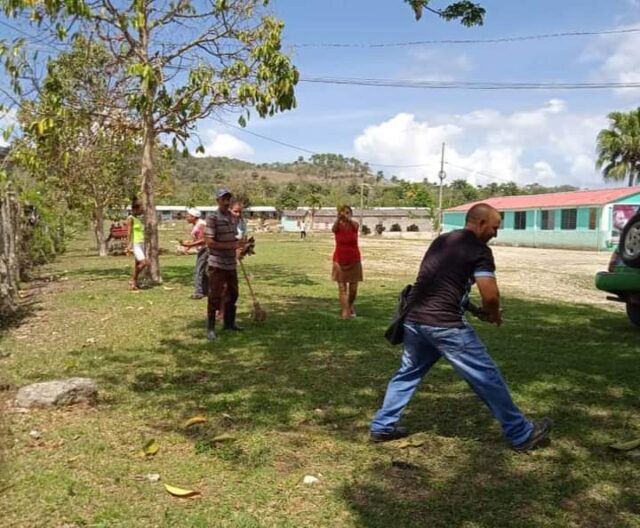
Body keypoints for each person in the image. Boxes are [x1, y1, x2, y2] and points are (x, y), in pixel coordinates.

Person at [370, 203, 552, 452]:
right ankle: (522, 433)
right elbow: (491, 294)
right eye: (494, 228)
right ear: (480, 223)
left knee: (407, 374)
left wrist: (477, 312)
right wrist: (493, 313)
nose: (495, 234)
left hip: (414, 319)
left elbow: (442, 285)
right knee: (486, 376)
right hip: (444, 326)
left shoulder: (442, 241)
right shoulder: (479, 250)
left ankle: (382, 426)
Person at [205, 189, 244, 341]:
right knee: (215, 296)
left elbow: (235, 238)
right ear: (217, 200)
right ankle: (211, 328)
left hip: (231, 263)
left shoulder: (234, 218)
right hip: (217, 263)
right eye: (223, 199)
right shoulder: (212, 217)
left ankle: (229, 323)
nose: (226, 201)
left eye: (228, 198)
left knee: (233, 294)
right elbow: (210, 242)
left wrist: (241, 247)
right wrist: (232, 245)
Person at [217, 199, 249, 321]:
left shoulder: (242, 224)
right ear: (229, 210)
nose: (238, 214)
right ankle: (220, 311)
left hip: (233, 260)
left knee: (233, 290)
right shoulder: (222, 223)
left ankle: (229, 317)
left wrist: (242, 250)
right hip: (220, 259)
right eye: (235, 211)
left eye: (240, 212)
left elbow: (243, 240)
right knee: (223, 287)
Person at [332, 205, 363, 319]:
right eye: (342, 212)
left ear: (351, 214)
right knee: (342, 287)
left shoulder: (354, 225)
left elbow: (355, 226)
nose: (345, 214)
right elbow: (333, 229)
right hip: (339, 260)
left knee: (353, 288)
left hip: (354, 259)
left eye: (347, 212)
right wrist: (338, 219)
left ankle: (350, 306)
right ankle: (345, 311)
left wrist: (348, 219)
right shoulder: (337, 226)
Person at [178, 208, 208, 299]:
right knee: (204, 271)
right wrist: (188, 247)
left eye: (188, 216)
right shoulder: (197, 224)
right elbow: (197, 239)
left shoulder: (201, 225)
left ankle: (199, 292)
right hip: (203, 249)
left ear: (194, 217)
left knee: (198, 270)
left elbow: (204, 240)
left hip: (205, 249)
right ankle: (206, 290)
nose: (186, 217)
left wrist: (189, 244)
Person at [126, 197, 148, 290]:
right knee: (144, 263)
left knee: (137, 264)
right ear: (135, 209)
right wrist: (128, 246)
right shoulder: (130, 218)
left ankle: (135, 283)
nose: (142, 211)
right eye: (141, 209)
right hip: (136, 244)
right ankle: (133, 279)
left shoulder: (138, 219)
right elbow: (129, 232)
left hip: (141, 243)